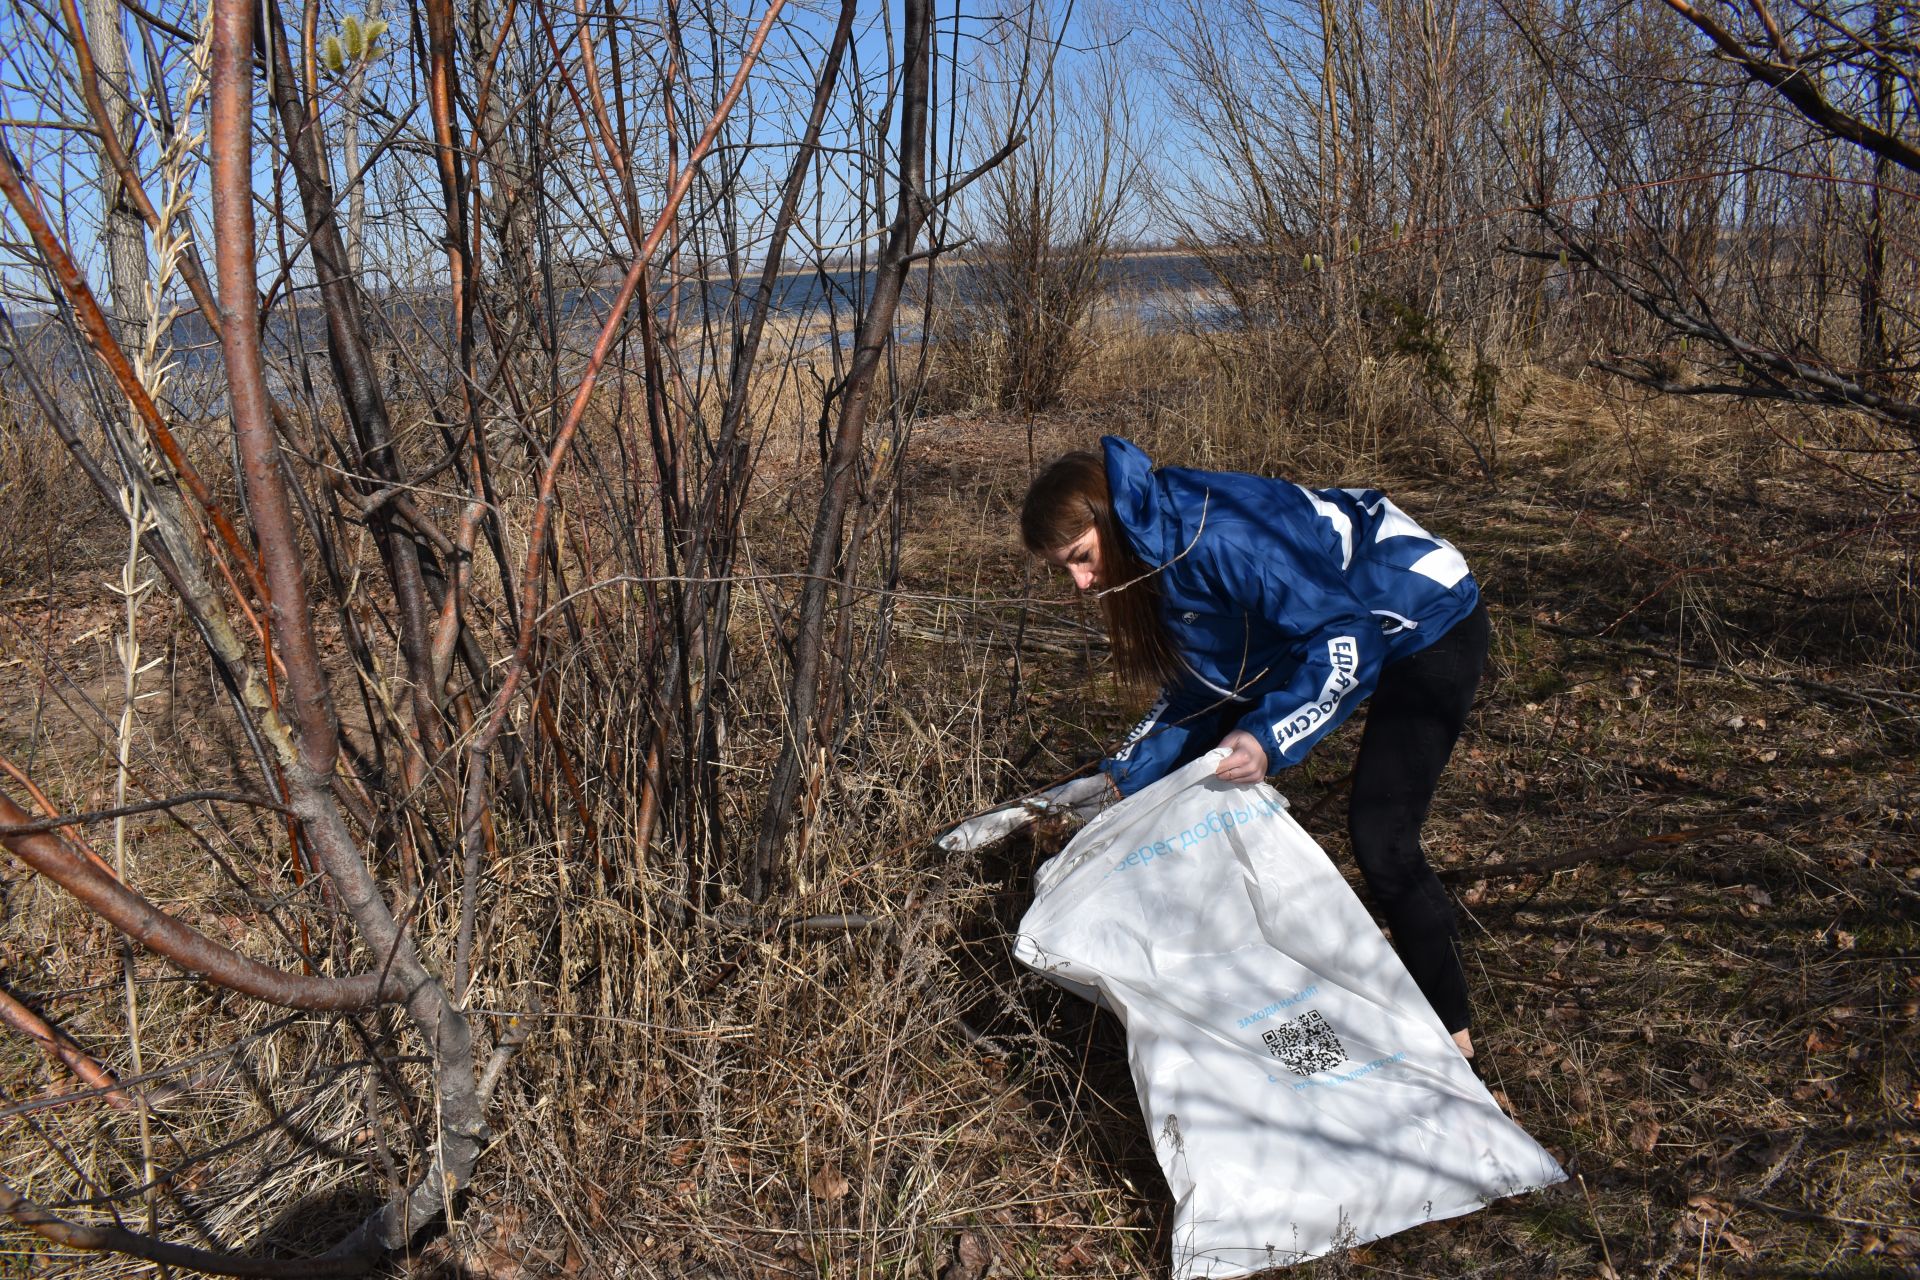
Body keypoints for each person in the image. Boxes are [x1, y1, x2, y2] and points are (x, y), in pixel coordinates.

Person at [1021, 436, 1491, 1059]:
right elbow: (1206, 687)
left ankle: (1455, 1041)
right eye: (1065, 569)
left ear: (1108, 519)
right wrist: (1120, 776)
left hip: (1424, 618)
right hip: (1335, 623)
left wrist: (1269, 737)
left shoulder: (1220, 538)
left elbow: (1347, 639)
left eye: (1081, 557)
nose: (1081, 583)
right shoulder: (1160, 548)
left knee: (1382, 837)